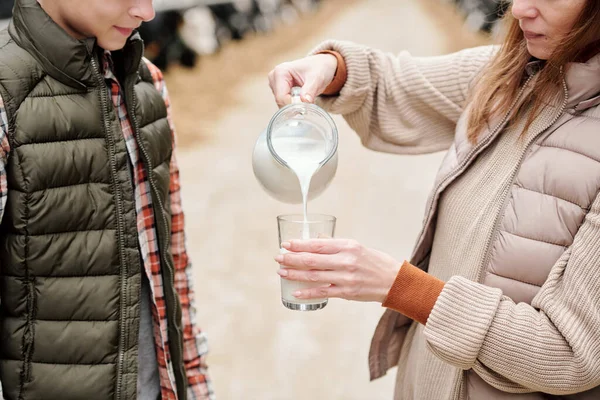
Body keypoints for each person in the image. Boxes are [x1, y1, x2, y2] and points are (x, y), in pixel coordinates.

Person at [269, 0, 600, 398]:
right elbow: (393, 84)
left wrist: (403, 287)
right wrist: (331, 69)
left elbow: (571, 355)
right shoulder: (508, 74)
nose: (519, 10)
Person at [0, 0, 214, 399]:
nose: (147, 12)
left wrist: (196, 386)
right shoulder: (5, 92)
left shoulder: (147, 82)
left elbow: (173, 261)